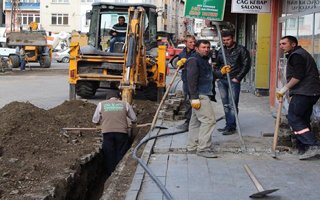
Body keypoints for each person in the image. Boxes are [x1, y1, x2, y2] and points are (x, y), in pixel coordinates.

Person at [185, 39, 230, 158]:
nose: (206, 49)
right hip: (200, 95)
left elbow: (210, 75)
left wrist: (221, 72)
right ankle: (203, 148)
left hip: (203, 94)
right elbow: (191, 81)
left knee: (195, 122)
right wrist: (194, 98)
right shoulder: (194, 60)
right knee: (209, 121)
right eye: (203, 47)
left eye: (208, 47)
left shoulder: (204, 60)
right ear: (197, 48)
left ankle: (192, 146)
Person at [278, 35, 320, 160]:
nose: (281, 46)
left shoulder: (297, 55)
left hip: (304, 92)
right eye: (280, 44)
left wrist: (284, 89)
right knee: (303, 120)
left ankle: (312, 145)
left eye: (284, 43)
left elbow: (298, 76)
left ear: (293, 44)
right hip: (311, 92)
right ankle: (303, 148)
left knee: (294, 118)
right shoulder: (300, 54)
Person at [92, 92, 137, 175]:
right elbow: (134, 119)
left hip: (107, 133)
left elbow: (95, 120)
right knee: (121, 153)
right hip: (122, 133)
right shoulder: (125, 104)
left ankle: (111, 173)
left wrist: (99, 124)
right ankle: (120, 172)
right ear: (118, 98)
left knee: (109, 154)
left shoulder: (101, 104)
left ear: (107, 98)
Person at [215, 31, 251, 135]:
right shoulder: (220, 50)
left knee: (232, 105)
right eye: (224, 40)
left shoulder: (241, 49)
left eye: (228, 39)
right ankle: (228, 125)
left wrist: (238, 78)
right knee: (226, 105)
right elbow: (217, 64)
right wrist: (218, 76)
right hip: (222, 81)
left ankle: (231, 126)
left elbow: (246, 65)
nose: (226, 42)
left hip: (234, 80)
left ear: (233, 38)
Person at [176, 35, 196, 131]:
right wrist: (180, 65)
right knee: (187, 101)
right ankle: (188, 122)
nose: (192, 44)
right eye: (190, 42)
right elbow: (180, 67)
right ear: (185, 43)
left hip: (195, 81)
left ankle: (195, 123)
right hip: (186, 80)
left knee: (196, 101)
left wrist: (187, 63)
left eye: (193, 42)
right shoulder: (182, 53)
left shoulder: (197, 52)